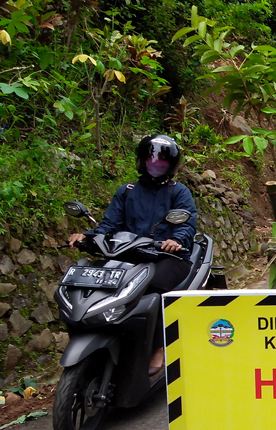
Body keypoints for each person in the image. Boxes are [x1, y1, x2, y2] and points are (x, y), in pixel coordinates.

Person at [68, 134, 198, 376]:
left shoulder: (178, 192)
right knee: (100, 282)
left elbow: (186, 224)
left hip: (168, 257)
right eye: (151, 160)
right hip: (129, 255)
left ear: (172, 165)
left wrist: (175, 241)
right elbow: (109, 224)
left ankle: (158, 346)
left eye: (162, 161)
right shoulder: (126, 192)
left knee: (155, 288)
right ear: (141, 161)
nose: (156, 164)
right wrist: (87, 237)